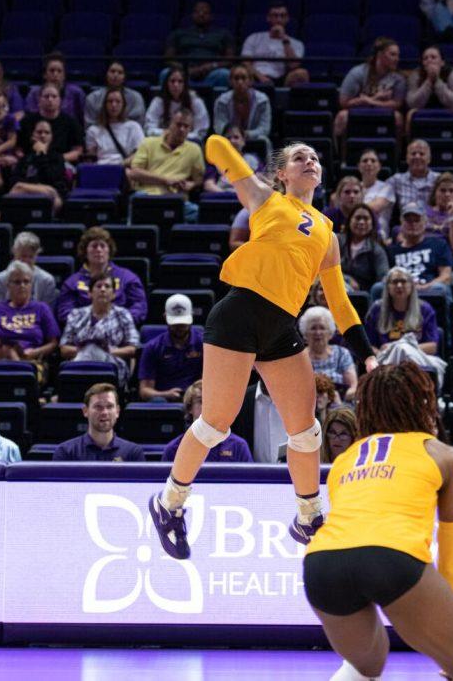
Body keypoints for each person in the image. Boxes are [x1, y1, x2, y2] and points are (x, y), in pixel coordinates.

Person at [149, 136, 377, 560]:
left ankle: (308, 516)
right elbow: (219, 148)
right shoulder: (266, 200)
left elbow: (340, 302)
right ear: (282, 174)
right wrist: (221, 151)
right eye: (298, 157)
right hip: (239, 313)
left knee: (306, 429)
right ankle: (168, 504)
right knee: (216, 423)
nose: (309, 160)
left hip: (280, 326)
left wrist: (366, 352)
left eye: (314, 157)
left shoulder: (327, 232)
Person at [303, 362, 453, 681]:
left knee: (367, 663)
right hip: (391, 556)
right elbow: (451, 557)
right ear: (421, 403)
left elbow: (353, 532)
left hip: (322, 564)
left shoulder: (346, 459)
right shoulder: (446, 456)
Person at [0, 261, 60, 372]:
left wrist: (35, 352)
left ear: (31, 285)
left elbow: (53, 343)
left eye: (26, 282)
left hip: (29, 360)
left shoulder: (41, 309)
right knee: (4, 350)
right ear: (8, 285)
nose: (22, 286)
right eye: (17, 282)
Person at [55, 227, 148, 324]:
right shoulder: (72, 283)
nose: (99, 250)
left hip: (120, 330)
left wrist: (116, 322)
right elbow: (65, 313)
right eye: (94, 246)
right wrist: (93, 321)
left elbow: (139, 307)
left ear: (109, 250)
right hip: (84, 333)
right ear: (85, 252)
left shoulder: (128, 277)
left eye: (103, 246)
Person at [59, 274, 140, 384]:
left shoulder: (123, 314)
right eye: (98, 286)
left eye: (107, 286)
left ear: (114, 294)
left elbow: (132, 349)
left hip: (112, 365)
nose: (103, 289)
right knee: (90, 349)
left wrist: (110, 351)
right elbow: (64, 349)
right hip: (80, 361)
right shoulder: (76, 314)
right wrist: (83, 350)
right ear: (89, 293)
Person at [127, 109, 206, 222]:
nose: (182, 129)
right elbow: (134, 173)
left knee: (200, 213)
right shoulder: (148, 143)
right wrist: (166, 180)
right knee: (136, 201)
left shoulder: (195, 149)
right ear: (170, 124)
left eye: (186, 126)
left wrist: (191, 184)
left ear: (190, 129)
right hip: (147, 195)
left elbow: (199, 179)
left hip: (176, 199)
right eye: (178, 125)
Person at [334, 37, 407, 150]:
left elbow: (397, 104)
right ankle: (342, 161)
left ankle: (395, 162)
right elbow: (344, 102)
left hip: (383, 112)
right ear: (380, 55)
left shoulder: (398, 78)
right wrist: (376, 98)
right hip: (359, 112)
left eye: (398, 55)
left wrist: (369, 100)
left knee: (398, 118)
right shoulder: (358, 73)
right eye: (393, 55)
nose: (397, 59)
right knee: (342, 117)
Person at [406, 44, 453, 161]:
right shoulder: (415, 75)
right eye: (425, 58)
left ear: (442, 62)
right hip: (424, 109)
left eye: (433, 57)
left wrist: (437, 81)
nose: (429, 61)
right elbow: (412, 103)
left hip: (451, 109)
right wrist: (428, 81)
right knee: (409, 114)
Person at [160, 380, 252, 463]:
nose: (208, 406)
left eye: (212, 401)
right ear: (189, 408)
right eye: (201, 401)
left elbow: (250, 481)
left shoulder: (238, 446)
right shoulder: (173, 449)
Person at [52, 384, 145, 462]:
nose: (105, 412)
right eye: (98, 407)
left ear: (117, 411)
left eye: (109, 406)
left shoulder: (133, 453)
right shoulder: (66, 452)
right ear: (85, 411)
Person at [137, 294, 205, 401]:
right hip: (164, 399)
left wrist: (194, 393)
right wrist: (166, 394)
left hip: (195, 398)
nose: (179, 328)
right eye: (175, 324)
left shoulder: (203, 345)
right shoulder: (152, 347)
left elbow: (210, 382)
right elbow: (145, 390)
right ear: (165, 317)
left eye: (183, 324)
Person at [384, 203, 453, 302]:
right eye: (408, 221)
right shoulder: (392, 251)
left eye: (417, 220)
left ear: (425, 223)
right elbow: (385, 278)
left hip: (429, 289)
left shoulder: (439, 244)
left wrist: (425, 287)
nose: (413, 224)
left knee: (440, 288)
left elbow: (446, 277)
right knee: (378, 288)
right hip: (400, 290)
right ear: (401, 224)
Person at [366, 267, 440, 355]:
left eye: (403, 281)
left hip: (417, 362)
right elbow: (368, 345)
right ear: (387, 287)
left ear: (411, 286)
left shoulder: (425, 309)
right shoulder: (376, 309)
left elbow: (432, 347)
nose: (399, 285)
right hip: (386, 363)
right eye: (394, 282)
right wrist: (381, 356)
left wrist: (397, 349)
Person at [164, 0, 235, 89]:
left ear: (211, 16)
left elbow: (230, 59)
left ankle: (220, 102)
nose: (201, 15)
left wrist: (211, 66)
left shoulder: (223, 34)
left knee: (225, 74)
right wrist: (185, 69)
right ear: (192, 15)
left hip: (213, 72)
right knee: (165, 73)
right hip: (184, 73)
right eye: (197, 12)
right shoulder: (178, 34)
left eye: (205, 12)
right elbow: (168, 58)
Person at [240, 0, 310, 86]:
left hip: (281, 78)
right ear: (268, 18)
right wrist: (261, 78)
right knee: (239, 72)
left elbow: (293, 65)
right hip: (255, 76)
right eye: (275, 16)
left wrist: (284, 39)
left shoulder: (296, 43)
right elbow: (246, 63)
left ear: (287, 19)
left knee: (302, 73)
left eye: (282, 16)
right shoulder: (254, 37)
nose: (279, 19)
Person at [4, 118, 65, 213]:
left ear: (51, 136)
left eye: (46, 132)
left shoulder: (57, 157)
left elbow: (52, 179)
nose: (43, 135)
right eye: (39, 132)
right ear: (33, 135)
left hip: (52, 193)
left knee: (19, 188)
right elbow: (14, 180)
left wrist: (41, 154)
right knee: (16, 189)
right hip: (28, 192)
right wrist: (34, 185)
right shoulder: (26, 158)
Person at [18, 84, 85, 164]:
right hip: (32, 163)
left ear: (60, 100)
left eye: (54, 96)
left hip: (61, 163)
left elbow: (77, 151)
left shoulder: (71, 123)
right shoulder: (26, 121)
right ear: (39, 99)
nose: (50, 99)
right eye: (46, 96)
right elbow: (18, 149)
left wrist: (55, 159)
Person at [301, 307, 357, 401]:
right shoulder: (300, 357)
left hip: (338, 406)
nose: (318, 333)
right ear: (305, 334)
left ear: (330, 333)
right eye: (313, 328)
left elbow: (353, 387)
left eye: (322, 328)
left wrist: (335, 399)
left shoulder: (342, 354)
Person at [0, 231, 57, 307]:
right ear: (14, 252)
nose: (26, 261)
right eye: (23, 256)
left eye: (31, 257)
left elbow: (47, 313)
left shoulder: (47, 280)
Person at [143, 65, 210, 140]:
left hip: (189, 142)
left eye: (180, 81)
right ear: (166, 83)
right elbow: (149, 129)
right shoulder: (158, 101)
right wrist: (170, 135)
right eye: (172, 81)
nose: (176, 85)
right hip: (163, 141)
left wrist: (181, 136)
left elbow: (201, 131)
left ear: (185, 84)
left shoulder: (196, 102)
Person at [23, 52, 87, 126]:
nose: (55, 74)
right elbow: (30, 119)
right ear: (45, 75)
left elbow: (82, 121)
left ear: (64, 75)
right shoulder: (34, 93)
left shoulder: (76, 93)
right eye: (52, 71)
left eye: (59, 71)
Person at [211, 64, 271, 142]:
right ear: (230, 81)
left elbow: (264, 129)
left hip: (253, 139)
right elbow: (219, 127)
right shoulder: (222, 101)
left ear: (250, 81)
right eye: (236, 78)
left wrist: (245, 134)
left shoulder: (262, 100)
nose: (240, 82)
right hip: (230, 139)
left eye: (243, 78)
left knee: (264, 140)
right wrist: (234, 135)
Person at [85, 87, 144, 166]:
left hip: (125, 167)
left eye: (118, 102)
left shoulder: (134, 127)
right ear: (104, 105)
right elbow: (91, 158)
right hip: (101, 169)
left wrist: (121, 165)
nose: (114, 105)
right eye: (110, 101)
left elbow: (140, 154)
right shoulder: (93, 130)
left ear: (123, 105)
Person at [340, 204, 390, 292]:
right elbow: (322, 267)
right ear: (349, 221)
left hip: (364, 295)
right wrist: (347, 279)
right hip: (336, 286)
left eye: (366, 219)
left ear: (372, 224)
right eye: (358, 218)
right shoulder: (336, 242)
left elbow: (383, 277)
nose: (361, 222)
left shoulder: (377, 250)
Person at [387, 139, 438, 220]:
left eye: (421, 154)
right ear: (407, 158)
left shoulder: (439, 180)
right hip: (407, 227)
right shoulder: (396, 180)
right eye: (413, 154)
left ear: (429, 159)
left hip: (433, 227)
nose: (417, 156)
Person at [83, 62, 146, 126]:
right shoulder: (93, 98)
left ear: (124, 77)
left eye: (120, 72)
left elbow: (139, 124)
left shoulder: (136, 97)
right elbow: (89, 125)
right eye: (112, 71)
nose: (115, 75)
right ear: (106, 74)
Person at [203, 123, 261, 193]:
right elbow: (208, 185)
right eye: (228, 138)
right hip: (222, 199)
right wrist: (226, 195)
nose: (232, 141)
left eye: (236, 137)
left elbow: (261, 182)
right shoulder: (215, 161)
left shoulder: (253, 160)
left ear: (243, 141)